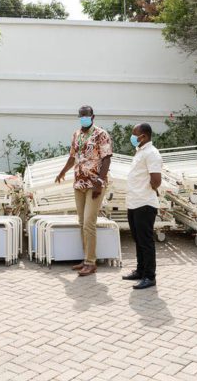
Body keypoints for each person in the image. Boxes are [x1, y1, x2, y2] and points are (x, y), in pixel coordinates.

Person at [55, 106, 113, 277]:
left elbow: (107, 158)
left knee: (89, 222)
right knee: (82, 222)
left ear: (92, 116)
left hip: (95, 184)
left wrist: (100, 182)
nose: (83, 118)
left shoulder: (101, 134)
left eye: (86, 116)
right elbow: (72, 157)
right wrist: (62, 172)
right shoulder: (76, 134)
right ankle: (86, 258)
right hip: (79, 183)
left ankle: (91, 263)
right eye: (81, 116)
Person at [123, 123, 163, 290]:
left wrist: (147, 190)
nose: (132, 137)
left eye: (135, 134)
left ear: (144, 136)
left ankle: (149, 276)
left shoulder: (151, 153)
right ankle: (140, 271)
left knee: (146, 241)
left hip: (145, 203)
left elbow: (156, 180)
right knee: (138, 239)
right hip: (134, 202)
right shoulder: (140, 151)